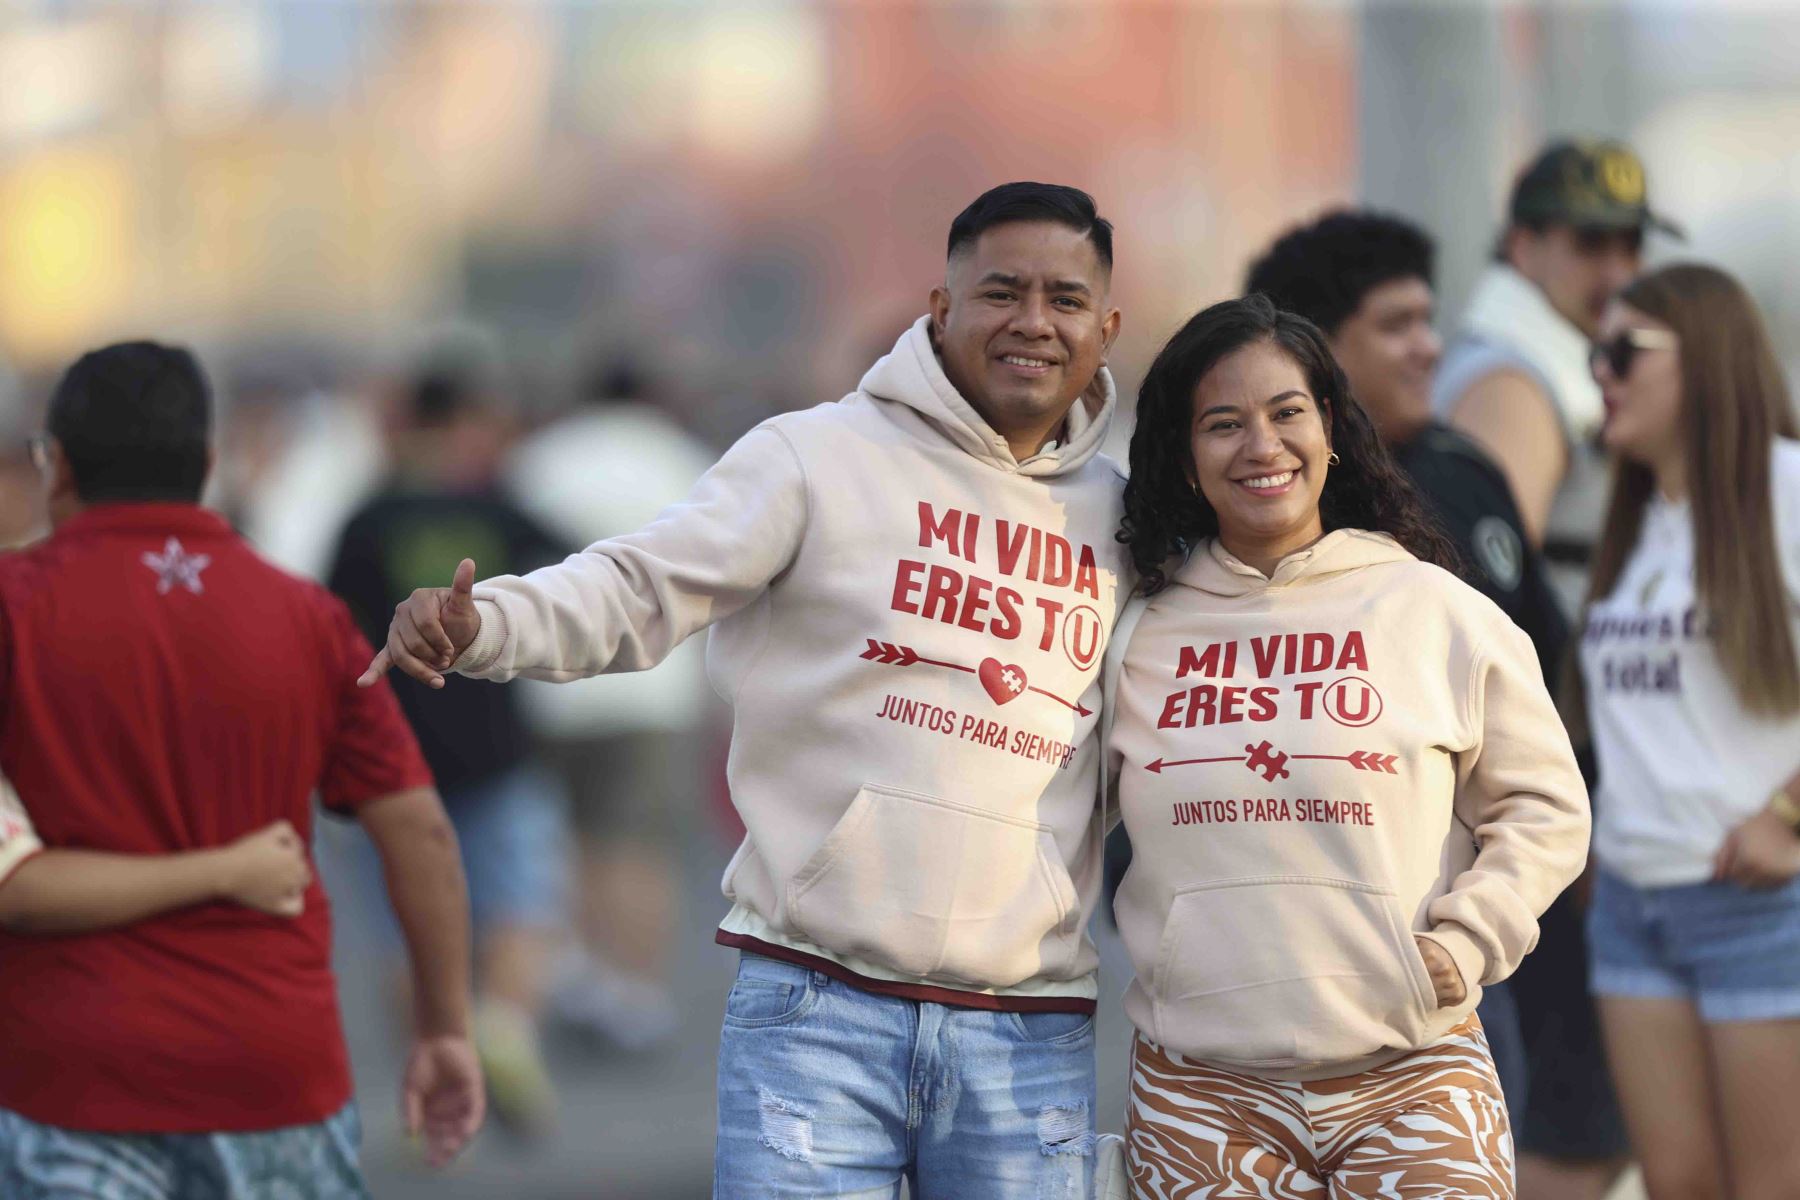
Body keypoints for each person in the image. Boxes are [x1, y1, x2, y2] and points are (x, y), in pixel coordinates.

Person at [363, 181, 1130, 1197]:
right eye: (1002, 291)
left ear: (1105, 327)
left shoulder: (1126, 519)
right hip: (818, 1009)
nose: (1034, 322)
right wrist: (487, 623)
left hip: (1029, 1029)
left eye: (1065, 300)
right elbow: (642, 583)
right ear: (940, 308)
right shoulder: (813, 458)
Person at [1107, 295, 1588, 1197]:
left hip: (1411, 1073)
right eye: (1223, 424)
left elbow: (1545, 805)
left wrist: (1469, 938)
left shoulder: (1434, 610)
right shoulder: (1140, 632)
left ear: (1329, 427)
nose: (1262, 447)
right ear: (1182, 452)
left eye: (1287, 413)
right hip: (1200, 1093)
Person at [0, 342, 481, 1198]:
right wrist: (444, 1026)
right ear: (208, 462)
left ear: (57, 464)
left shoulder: (14, 607)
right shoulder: (307, 617)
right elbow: (421, 833)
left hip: (68, 1076)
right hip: (276, 1071)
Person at [1247, 211, 1629, 1197]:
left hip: (1493, 922)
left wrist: (1573, 843)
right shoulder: (1263, 506)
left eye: (1430, 318)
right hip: (1301, 960)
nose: (1430, 346)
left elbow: (1552, 679)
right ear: (1317, 350)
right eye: (1397, 324)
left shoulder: (1465, 470)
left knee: (1564, 1138)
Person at [1578, 263, 1800, 1200]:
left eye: (1625, 351)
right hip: (1634, 902)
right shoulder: (1635, 524)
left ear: (1704, 359)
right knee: (1676, 1184)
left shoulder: (1785, 490)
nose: (1602, 373)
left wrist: (1790, 815)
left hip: (1758, 903)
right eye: (1596, 353)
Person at [327, 359, 572, 1135]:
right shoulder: (499, 504)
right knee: (521, 901)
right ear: (462, 422)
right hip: (498, 746)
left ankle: (435, 1084)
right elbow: (575, 582)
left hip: (394, 756)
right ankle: (501, 1027)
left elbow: (333, 632)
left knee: (405, 922)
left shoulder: (366, 518)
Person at [504, 359, 714, 1052]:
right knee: (640, 846)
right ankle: (636, 990)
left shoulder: (540, 459)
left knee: (567, 841)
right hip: (656, 691)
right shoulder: (686, 460)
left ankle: (583, 974)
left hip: (554, 686)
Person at [1436, 138, 1679, 610]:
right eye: (1590, 244)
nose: (1618, 274)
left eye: (1631, 246)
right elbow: (1484, 594)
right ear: (1523, 248)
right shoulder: (1510, 387)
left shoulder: (1537, 362)